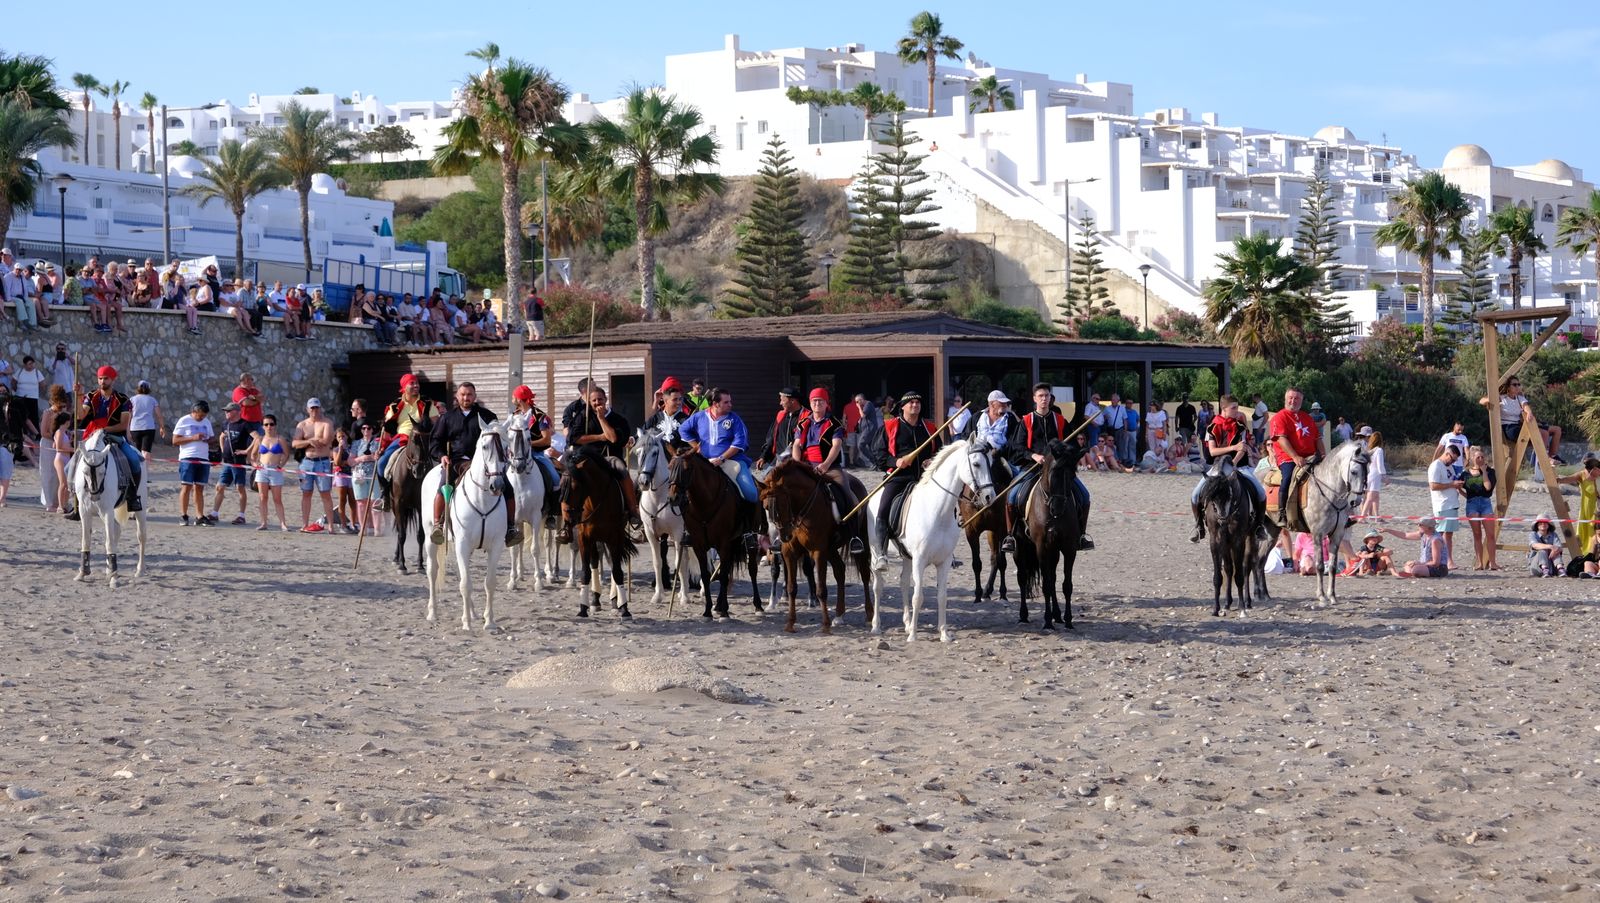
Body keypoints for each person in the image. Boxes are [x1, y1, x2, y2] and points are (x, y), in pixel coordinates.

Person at [999, 383, 1093, 554]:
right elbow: (1017, 447)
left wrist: (1064, 454)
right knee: (1012, 497)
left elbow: (1072, 445)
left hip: (1057, 469)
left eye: (1047, 396)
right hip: (1032, 467)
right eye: (1041, 396)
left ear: (1050, 398)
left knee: (1084, 496)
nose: (1044, 399)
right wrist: (1033, 456)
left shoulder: (1060, 420)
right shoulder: (1026, 421)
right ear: (1035, 399)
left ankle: (1081, 535)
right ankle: (1010, 536)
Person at [430, 381, 520, 547]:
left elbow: (498, 438)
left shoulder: (488, 416)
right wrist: (441, 455)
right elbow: (435, 441)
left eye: (469, 394)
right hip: (456, 461)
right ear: (457, 396)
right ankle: (438, 525)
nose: (466, 397)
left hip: (485, 463)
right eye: (463, 394)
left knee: (508, 487)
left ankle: (511, 528)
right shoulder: (446, 418)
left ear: (475, 396)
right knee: (443, 485)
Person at [789, 387, 864, 554]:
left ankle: (854, 536)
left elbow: (836, 446)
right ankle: (783, 534)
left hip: (830, 468)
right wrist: (796, 464)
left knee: (846, 494)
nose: (817, 404)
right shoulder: (802, 423)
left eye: (820, 401)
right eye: (814, 401)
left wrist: (825, 464)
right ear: (810, 403)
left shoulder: (834, 423)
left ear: (826, 403)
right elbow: (796, 445)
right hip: (806, 467)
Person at [563, 384, 642, 542]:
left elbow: (613, 438)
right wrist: (598, 437)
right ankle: (566, 522)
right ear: (589, 402)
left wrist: (601, 418)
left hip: (609, 457)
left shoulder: (618, 419)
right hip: (587, 457)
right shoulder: (582, 417)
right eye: (593, 400)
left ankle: (633, 511)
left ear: (606, 399)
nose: (597, 402)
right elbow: (572, 438)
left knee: (623, 470)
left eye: (600, 399)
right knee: (567, 477)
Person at [872, 390, 941, 566]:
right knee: (883, 509)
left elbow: (940, 452)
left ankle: (946, 550)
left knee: (946, 505)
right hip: (898, 477)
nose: (915, 405)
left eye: (918, 402)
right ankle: (881, 553)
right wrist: (895, 462)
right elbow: (878, 455)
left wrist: (932, 460)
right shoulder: (889, 427)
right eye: (911, 403)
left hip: (925, 478)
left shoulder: (930, 427)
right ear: (902, 407)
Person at [1190, 395, 1268, 543]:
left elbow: (1243, 449)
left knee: (1261, 493)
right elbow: (1212, 452)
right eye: (1234, 408)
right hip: (1217, 466)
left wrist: (1232, 463)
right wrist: (1232, 448)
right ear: (1223, 409)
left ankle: (1259, 526)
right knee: (1194, 495)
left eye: (1237, 407)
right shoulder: (1212, 427)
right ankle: (1198, 526)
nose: (1237, 411)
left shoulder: (1240, 426)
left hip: (1238, 465)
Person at [73, 365, 144, 511]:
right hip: (92, 436)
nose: (102, 381)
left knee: (134, 460)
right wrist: (79, 396)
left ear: (113, 380)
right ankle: (76, 499)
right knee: (73, 462)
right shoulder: (91, 397)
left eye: (106, 378)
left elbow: (123, 425)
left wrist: (104, 430)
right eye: (100, 378)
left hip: (115, 437)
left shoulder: (123, 399)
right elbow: (81, 415)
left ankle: (132, 497)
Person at [677, 385, 759, 509]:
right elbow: (683, 429)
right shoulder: (699, 417)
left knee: (751, 494)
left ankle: (754, 525)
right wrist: (696, 447)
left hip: (733, 462)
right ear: (715, 404)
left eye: (730, 401)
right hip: (705, 463)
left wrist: (721, 458)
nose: (730, 405)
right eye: (726, 402)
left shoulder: (735, 419)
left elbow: (739, 443)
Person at [373, 374, 441, 510]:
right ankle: (385, 496)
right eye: (412, 383)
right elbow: (386, 432)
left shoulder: (428, 404)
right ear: (404, 387)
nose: (416, 386)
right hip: (402, 439)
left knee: (439, 466)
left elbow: (436, 426)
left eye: (417, 383)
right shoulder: (395, 406)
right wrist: (381, 448)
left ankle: (439, 495)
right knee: (381, 464)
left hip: (423, 440)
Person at [1267, 387, 1324, 537]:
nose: (1293, 401)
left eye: (1297, 398)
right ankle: (1282, 512)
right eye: (1291, 398)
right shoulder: (1279, 417)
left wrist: (1324, 455)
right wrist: (1294, 456)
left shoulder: (1307, 417)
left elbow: (1318, 438)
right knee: (1287, 477)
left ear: (1301, 400)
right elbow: (1281, 439)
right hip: (1287, 457)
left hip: (1310, 457)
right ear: (1286, 399)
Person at [1482, 376, 1564, 465]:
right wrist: (1491, 399)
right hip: (1509, 428)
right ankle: (1544, 458)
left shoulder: (1519, 398)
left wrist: (1529, 412)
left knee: (1557, 429)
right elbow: (1482, 401)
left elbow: (1525, 406)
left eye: (1518, 384)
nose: (1517, 387)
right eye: (1514, 385)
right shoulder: (1502, 398)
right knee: (1543, 433)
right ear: (1508, 387)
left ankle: (1552, 456)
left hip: (1519, 425)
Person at [509, 384, 560, 523]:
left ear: (519, 399)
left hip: (536, 454)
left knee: (555, 478)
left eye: (514, 396)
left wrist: (528, 443)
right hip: (514, 456)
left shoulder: (540, 416)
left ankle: (551, 513)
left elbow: (546, 439)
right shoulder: (513, 416)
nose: (512, 398)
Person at [293, 398, 337, 533]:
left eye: (316, 408)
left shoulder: (326, 423)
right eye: (312, 408)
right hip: (306, 462)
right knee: (306, 493)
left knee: (325, 493)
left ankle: (330, 525)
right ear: (307, 409)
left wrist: (308, 441)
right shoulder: (302, 425)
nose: (314, 411)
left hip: (322, 461)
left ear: (320, 408)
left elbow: (326, 440)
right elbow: (295, 443)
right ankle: (305, 523)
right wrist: (311, 441)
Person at [209, 402, 257, 526]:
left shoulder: (244, 424)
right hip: (227, 462)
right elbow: (222, 436)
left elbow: (257, 438)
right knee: (220, 486)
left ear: (236, 411)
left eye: (229, 411)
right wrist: (223, 449)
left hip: (238, 462)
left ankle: (241, 515)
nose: (226, 413)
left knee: (240, 488)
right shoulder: (226, 424)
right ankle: (214, 513)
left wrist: (247, 451)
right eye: (225, 411)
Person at [173, 400, 215, 526]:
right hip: (188, 457)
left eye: (204, 415)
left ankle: (200, 516)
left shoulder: (207, 422)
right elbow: (175, 440)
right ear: (194, 411)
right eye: (200, 415)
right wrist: (193, 437)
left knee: (199, 488)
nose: (202, 418)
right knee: (186, 487)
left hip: (203, 458)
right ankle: (184, 515)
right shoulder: (184, 420)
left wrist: (208, 439)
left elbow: (212, 437)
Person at [248, 414, 291, 531]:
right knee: (263, 497)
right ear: (263, 426)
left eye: (271, 424)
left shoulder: (280, 439)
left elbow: (286, 455)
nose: (269, 427)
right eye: (266, 424)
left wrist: (280, 465)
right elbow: (252, 455)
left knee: (277, 499)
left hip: (275, 470)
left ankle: (283, 523)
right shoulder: (260, 439)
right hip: (262, 470)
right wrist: (255, 464)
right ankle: (264, 523)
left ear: (275, 425)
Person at [1461, 445, 1498, 571]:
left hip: (1486, 502)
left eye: (1482, 457)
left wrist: (1484, 471)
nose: (1480, 459)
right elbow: (1458, 485)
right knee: (1477, 535)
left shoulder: (1491, 472)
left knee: (1490, 534)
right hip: (1472, 503)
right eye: (1478, 457)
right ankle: (1479, 563)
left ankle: (1493, 562)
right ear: (1472, 458)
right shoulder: (1465, 474)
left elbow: (1488, 487)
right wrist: (1464, 495)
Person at [1427, 444, 1464, 570]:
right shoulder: (1436, 465)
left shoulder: (1449, 467)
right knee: (1441, 534)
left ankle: (1445, 560)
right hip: (1442, 504)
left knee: (1448, 534)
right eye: (1452, 459)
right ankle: (1445, 560)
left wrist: (1458, 484)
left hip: (1452, 503)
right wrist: (1452, 484)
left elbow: (1452, 481)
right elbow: (1433, 486)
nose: (1453, 462)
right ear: (1447, 454)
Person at [1557, 456, 1600, 556]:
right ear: (1592, 470)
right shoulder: (1582, 474)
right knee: (1584, 530)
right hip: (1585, 508)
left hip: (1597, 508)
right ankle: (1584, 553)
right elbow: (1569, 478)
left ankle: (1594, 553)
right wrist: (1559, 480)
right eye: (1597, 471)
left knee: (1595, 530)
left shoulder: (1598, 477)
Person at [755, 386, 804, 470]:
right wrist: (763, 456)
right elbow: (771, 438)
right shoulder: (780, 416)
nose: (780, 403)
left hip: (799, 462)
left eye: (783, 400)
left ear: (792, 401)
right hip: (778, 460)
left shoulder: (806, 417)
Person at [1383, 518, 1449, 579]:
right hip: (1426, 565)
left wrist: (1418, 563)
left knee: (1416, 569)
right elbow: (1405, 535)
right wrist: (1388, 530)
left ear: (1429, 527)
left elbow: (1436, 563)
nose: (1418, 526)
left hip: (1439, 568)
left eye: (1420, 525)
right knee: (1408, 564)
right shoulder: (1424, 534)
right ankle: (1411, 573)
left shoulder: (1435, 540)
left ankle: (1412, 573)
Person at [349, 420, 384, 536]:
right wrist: (363, 458)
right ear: (361, 430)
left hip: (373, 475)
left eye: (368, 428)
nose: (366, 430)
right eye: (364, 428)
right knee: (361, 502)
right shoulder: (356, 444)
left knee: (375, 502)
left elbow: (377, 456)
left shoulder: (377, 443)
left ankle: (377, 529)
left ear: (372, 430)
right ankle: (363, 528)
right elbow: (350, 461)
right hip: (359, 474)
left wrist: (368, 457)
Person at [127, 380, 166, 464]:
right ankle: (145, 470)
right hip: (148, 428)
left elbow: (129, 416)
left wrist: (127, 429)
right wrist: (162, 427)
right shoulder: (152, 400)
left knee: (137, 451)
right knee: (146, 451)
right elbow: (159, 415)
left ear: (138, 388)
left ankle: (138, 470)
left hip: (135, 428)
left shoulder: (132, 399)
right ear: (148, 389)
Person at [1358, 427, 1386, 522]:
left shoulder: (1371, 450)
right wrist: (1384, 476)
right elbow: (1380, 465)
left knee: (1375, 496)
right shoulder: (1379, 450)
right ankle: (1362, 517)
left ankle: (1377, 517)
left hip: (1369, 474)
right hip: (1375, 475)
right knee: (1370, 497)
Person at [1121, 398, 1140, 468]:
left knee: (1133, 446)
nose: (1130, 404)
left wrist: (1136, 427)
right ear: (1126, 403)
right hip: (1126, 431)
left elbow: (1138, 419)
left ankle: (1133, 460)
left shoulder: (1134, 412)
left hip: (1133, 431)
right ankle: (1125, 460)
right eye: (1128, 403)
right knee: (1125, 446)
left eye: (1131, 403)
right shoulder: (1123, 411)